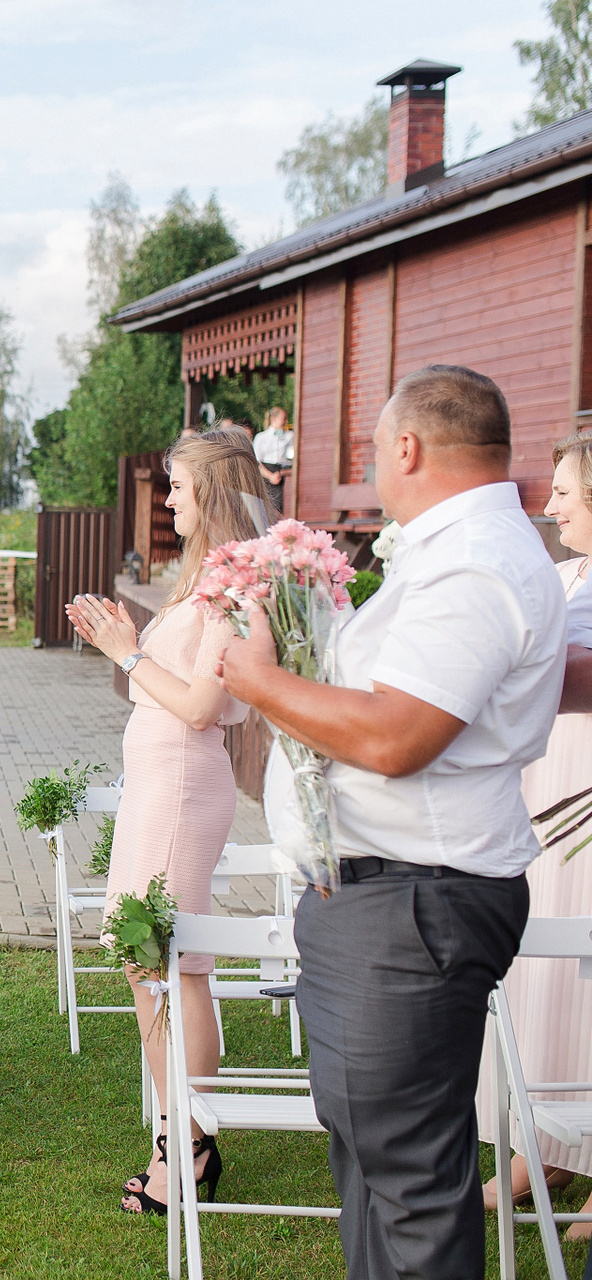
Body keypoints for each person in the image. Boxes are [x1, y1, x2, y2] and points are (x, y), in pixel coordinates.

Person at [219, 365, 562, 1280]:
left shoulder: (472, 562)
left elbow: (396, 736)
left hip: (413, 904)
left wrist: (260, 680)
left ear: (406, 448)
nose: (374, 466)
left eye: (374, 449)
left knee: (408, 1182)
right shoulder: (459, 550)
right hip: (389, 897)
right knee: (373, 1166)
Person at [64, 433, 265, 1214]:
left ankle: (189, 1146)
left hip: (182, 787)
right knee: (142, 958)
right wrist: (126, 638)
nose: (169, 498)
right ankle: (175, 1133)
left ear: (210, 491)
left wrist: (126, 651)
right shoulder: (201, 578)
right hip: (159, 786)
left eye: (178, 486)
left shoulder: (232, 584)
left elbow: (202, 707)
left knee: (174, 963)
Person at [475, 430, 592, 1230]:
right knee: (540, 966)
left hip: (587, 790)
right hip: (546, 785)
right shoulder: (560, 577)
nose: (549, 506)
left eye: (565, 491)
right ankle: (542, 1148)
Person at [255, 407, 295, 513]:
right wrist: (270, 476)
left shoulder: (290, 436)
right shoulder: (261, 437)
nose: (286, 421)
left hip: (285, 471)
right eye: (284, 418)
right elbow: (257, 462)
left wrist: (283, 472)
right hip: (267, 472)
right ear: (274, 419)